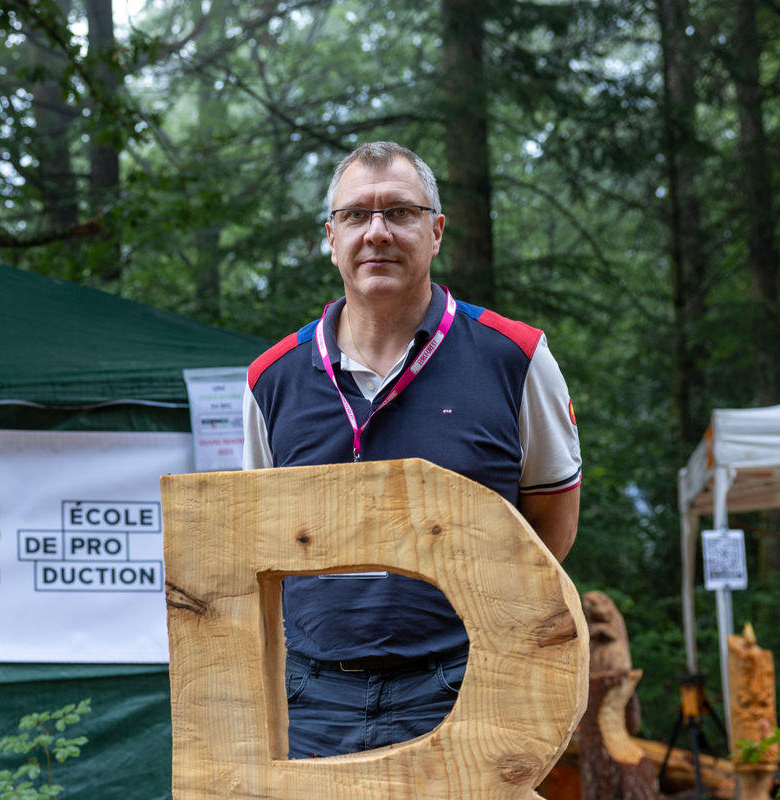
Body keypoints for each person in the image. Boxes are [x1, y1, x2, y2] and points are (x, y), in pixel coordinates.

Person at [242, 141, 582, 759]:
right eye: (356, 216)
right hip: (310, 699)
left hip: (465, 682)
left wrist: (494, 641)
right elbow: (258, 543)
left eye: (400, 213)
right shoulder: (272, 379)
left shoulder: (517, 357)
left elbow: (552, 526)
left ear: (436, 230)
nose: (377, 233)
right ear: (330, 236)